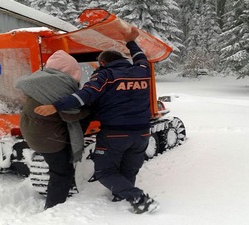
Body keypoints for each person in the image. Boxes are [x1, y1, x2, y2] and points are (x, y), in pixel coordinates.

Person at [34, 27, 159, 214]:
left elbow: (84, 94)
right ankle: (121, 195)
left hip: (115, 133)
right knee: (129, 168)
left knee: (104, 172)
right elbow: (141, 56)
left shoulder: (105, 75)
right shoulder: (142, 71)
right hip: (142, 132)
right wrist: (130, 41)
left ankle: (139, 198)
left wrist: (55, 106)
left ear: (102, 62)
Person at [15, 50, 90, 210]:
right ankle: (54, 208)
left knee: (57, 167)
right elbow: (71, 116)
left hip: (33, 132)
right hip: (49, 138)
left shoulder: (39, 80)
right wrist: (90, 110)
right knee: (61, 172)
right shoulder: (60, 86)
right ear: (71, 71)